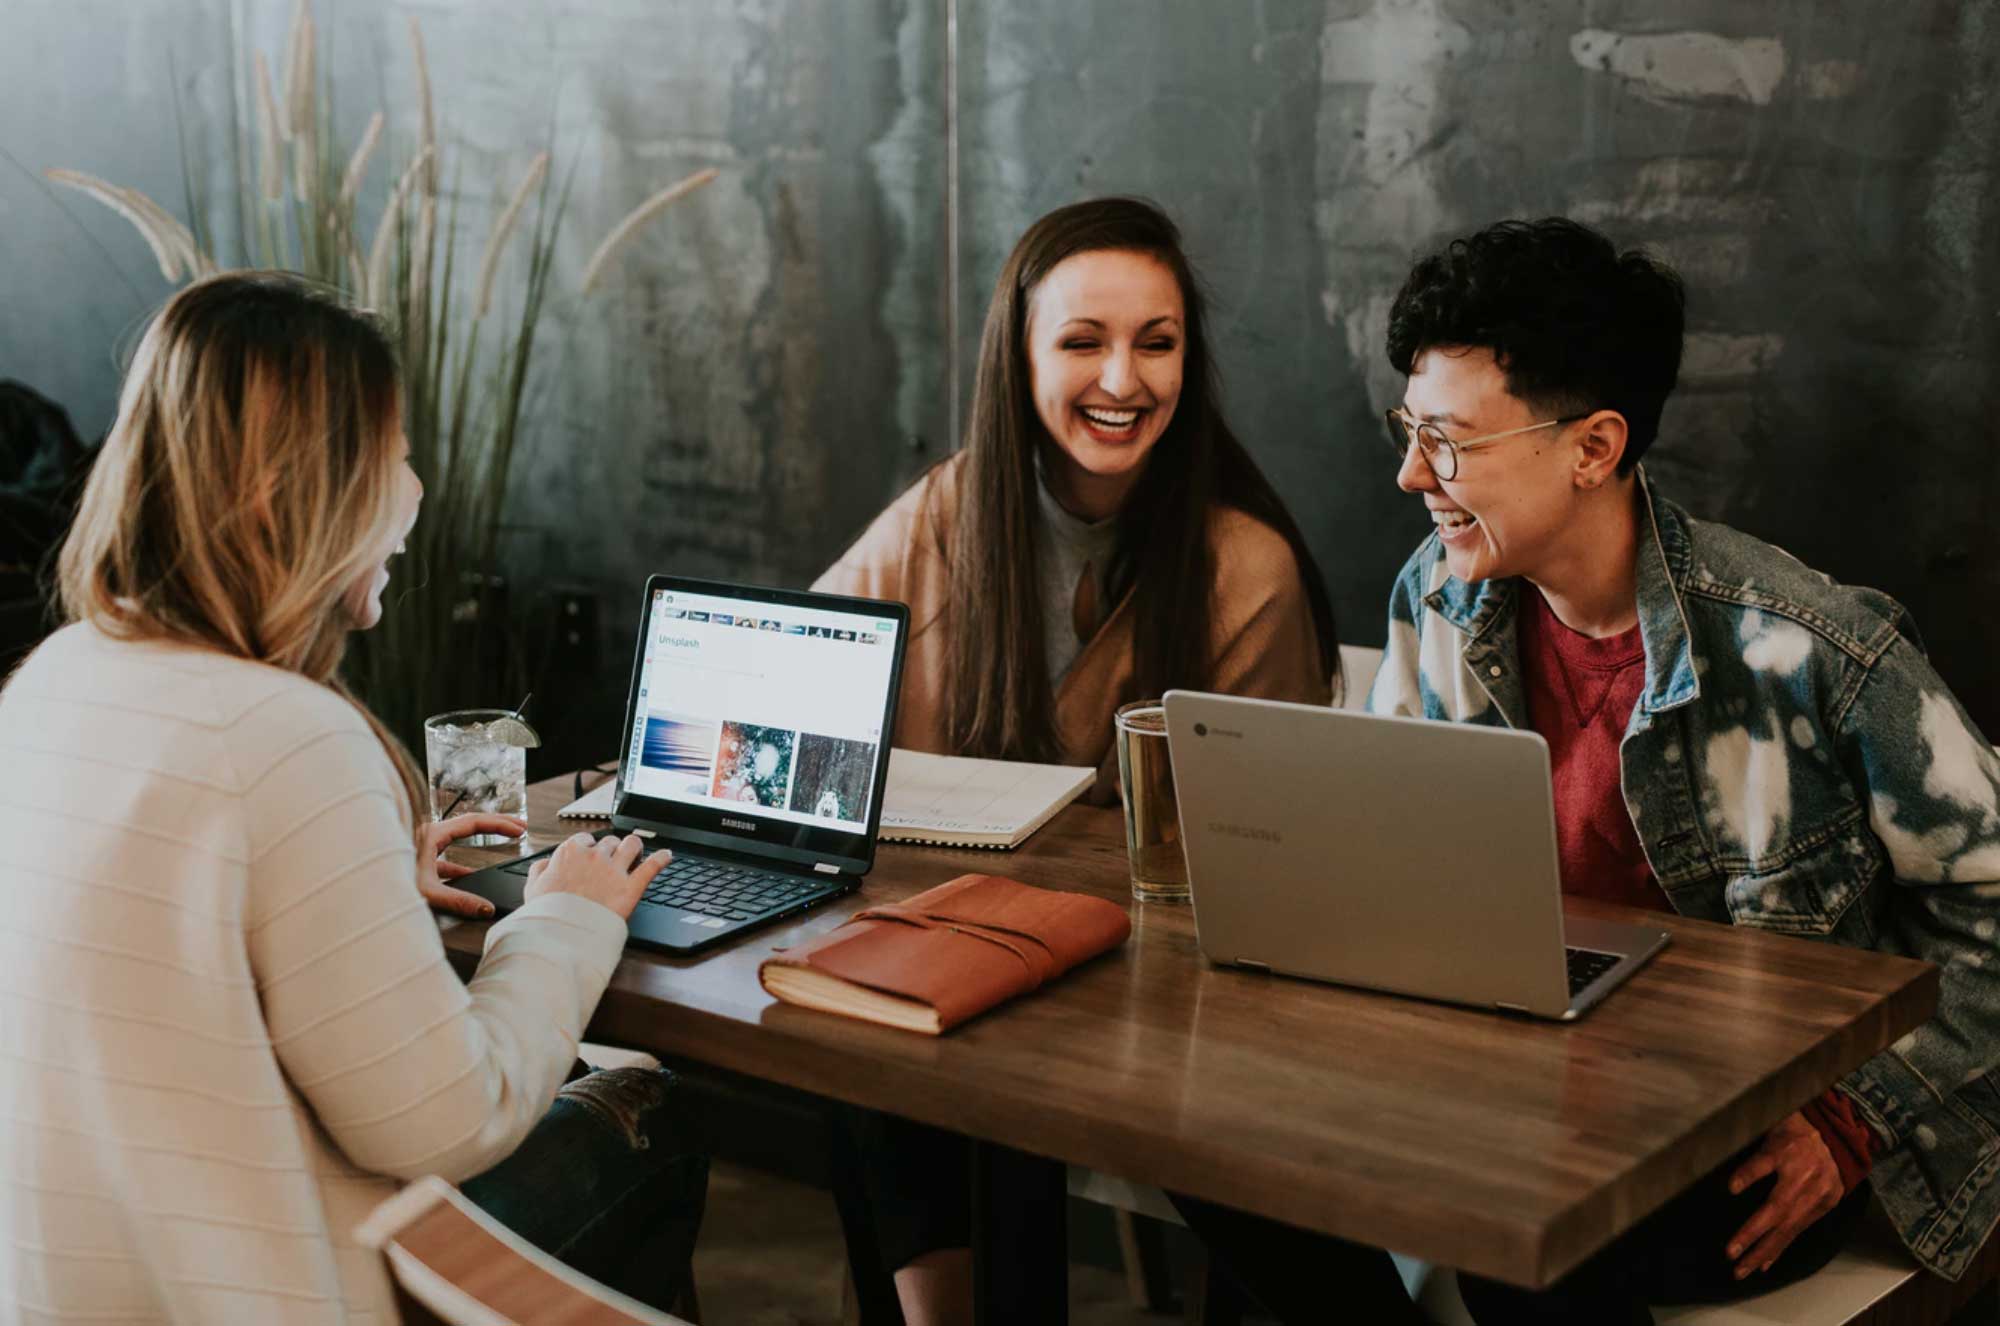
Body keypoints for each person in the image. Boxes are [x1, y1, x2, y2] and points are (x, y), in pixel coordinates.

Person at [1188, 217, 2000, 1324]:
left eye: (1447, 441)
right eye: (1407, 429)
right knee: (1210, 1147)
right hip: (1515, 1079)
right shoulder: (1436, 596)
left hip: (1738, 1126)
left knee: (1523, 1226)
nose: (1407, 472)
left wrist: (1851, 1116)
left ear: (1591, 447)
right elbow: (1393, 883)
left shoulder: (1806, 649)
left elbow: (1988, 906)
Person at [0, 273, 707, 1323]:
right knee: (653, 1114)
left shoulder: (54, 677)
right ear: (306, 488)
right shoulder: (288, 736)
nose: (414, 487)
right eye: (395, 452)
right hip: (265, 1291)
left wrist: (369, 874)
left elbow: (156, 957)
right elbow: (446, 1122)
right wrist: (566, 920)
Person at [814, 196, 1341, 1324]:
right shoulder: (951, 510)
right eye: (1081, 341)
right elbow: (810, 677)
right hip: (955, 961)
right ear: (1018, 356)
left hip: (1155, 1003)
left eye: (1156, 343)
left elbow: (1260, 866)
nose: (1123, 378)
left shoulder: (1242, 569)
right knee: (856, 1021)